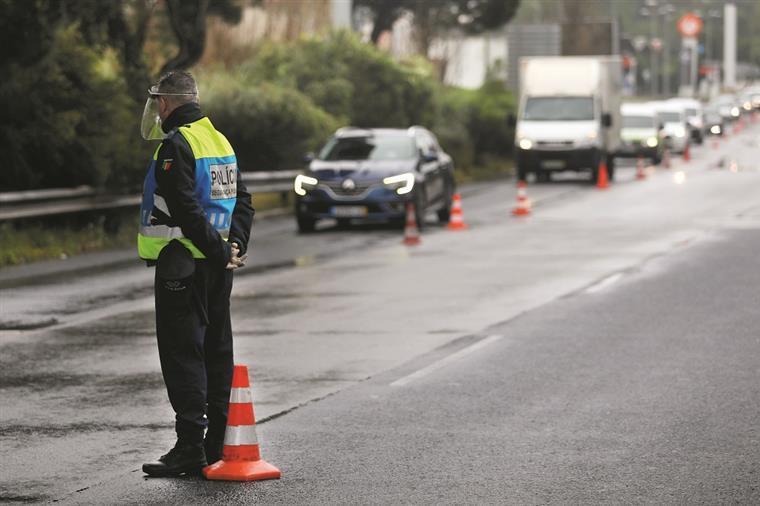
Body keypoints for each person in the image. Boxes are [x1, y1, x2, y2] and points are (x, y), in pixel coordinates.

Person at [137, 70, 254, 477]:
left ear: (165, 104)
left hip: (184, 264)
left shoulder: (177, 145)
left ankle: (190, 447)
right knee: (216, 351)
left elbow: (184, 207)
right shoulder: (219, 140)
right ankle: (217, 443)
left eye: (157, 102)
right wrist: (233, 246)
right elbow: (244, 200)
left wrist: (220, 248)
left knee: (182, 353)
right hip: (218, 268)